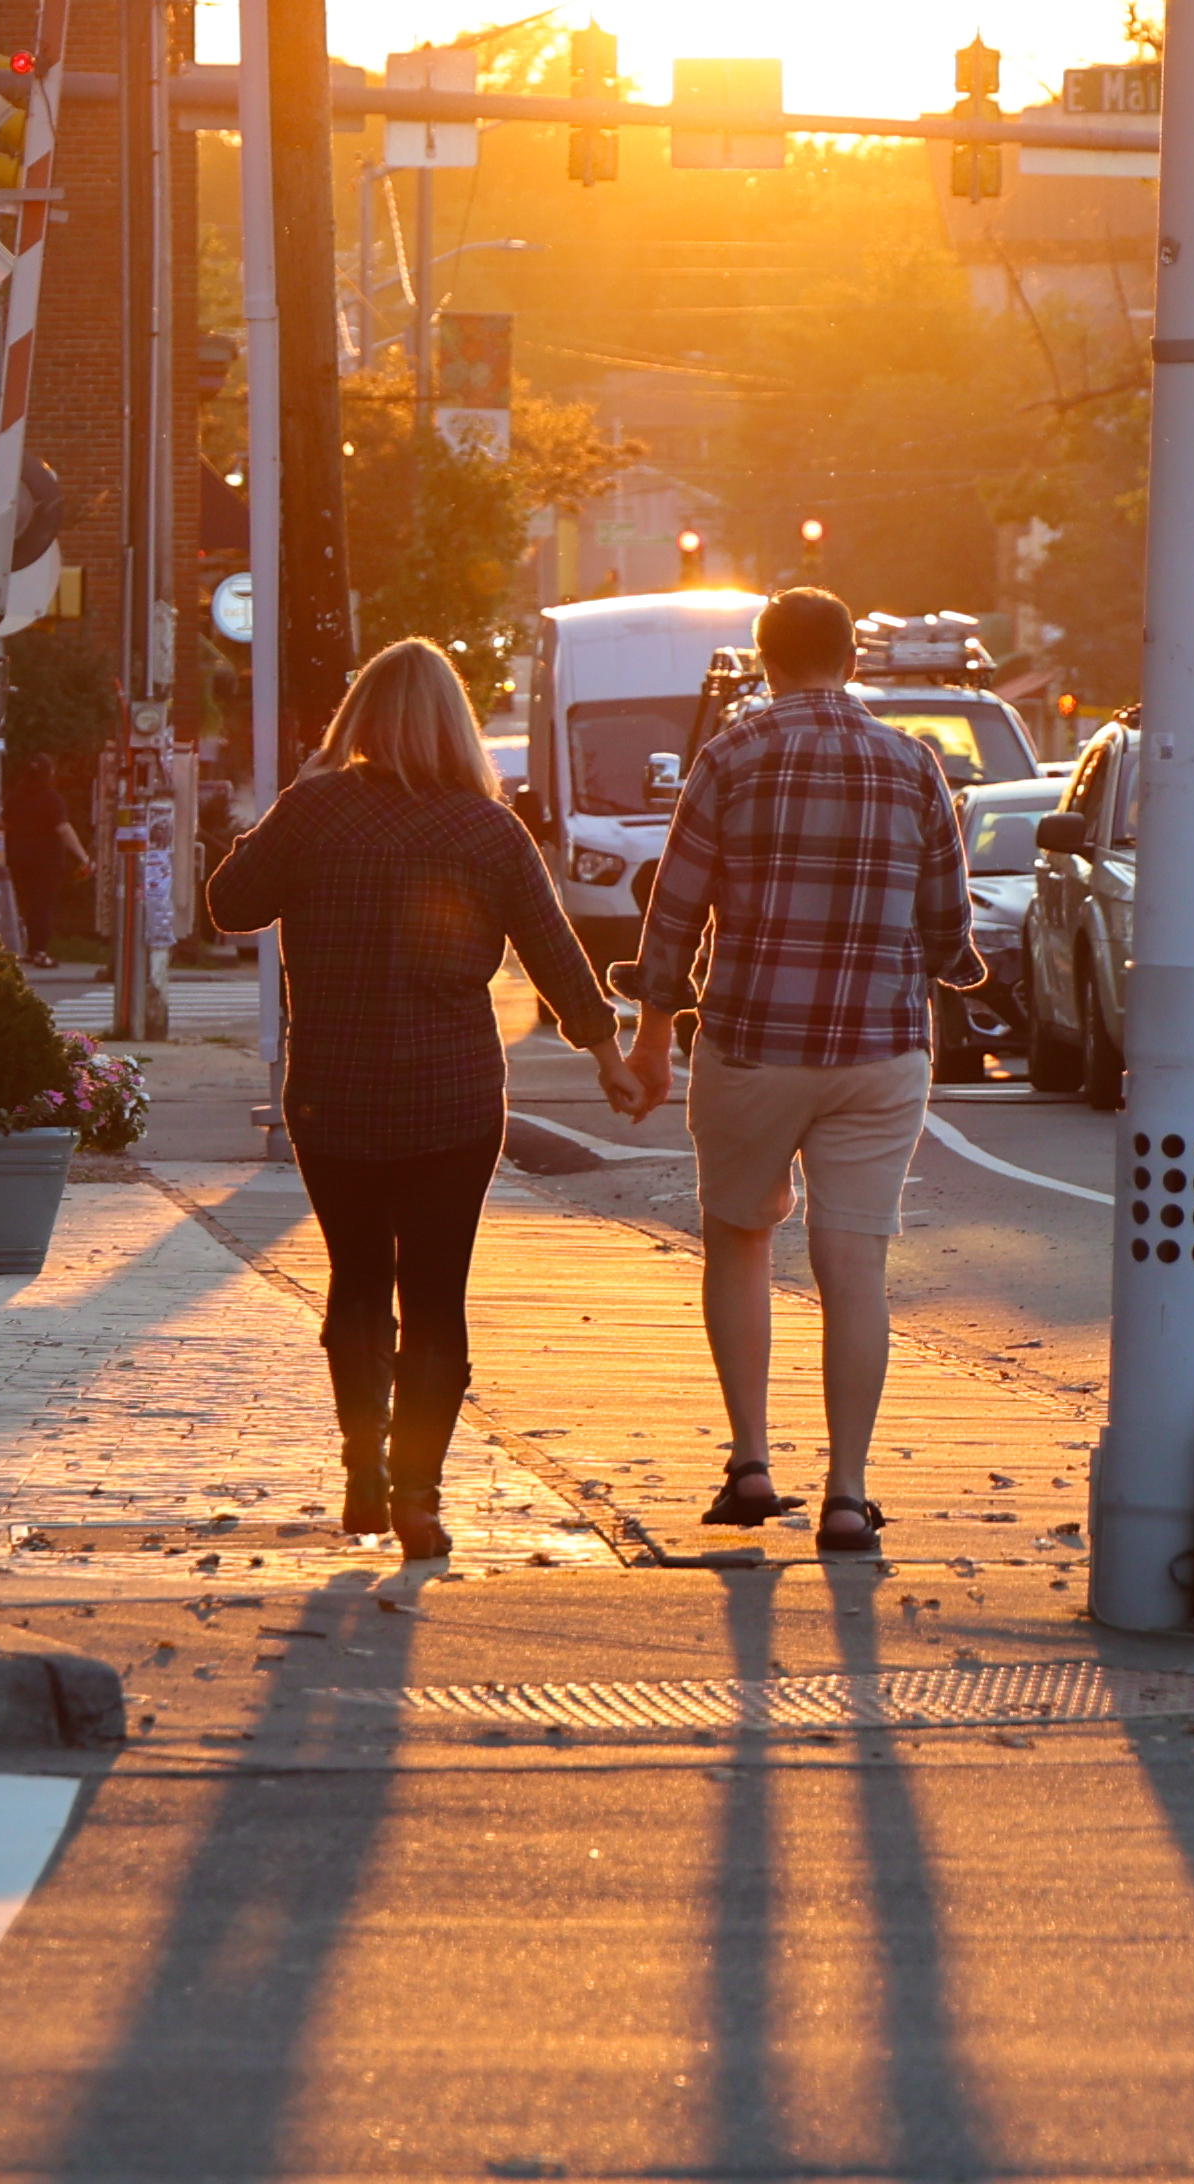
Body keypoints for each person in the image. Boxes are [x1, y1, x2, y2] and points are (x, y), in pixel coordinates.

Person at [201, 636, 641, 1580]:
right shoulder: (489, 830)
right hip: (453, 1099)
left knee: (357, 1280)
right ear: (458, 724)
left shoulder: (315, 809)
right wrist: (610, 1057)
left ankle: (363, 1465)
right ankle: (418, 1495)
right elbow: (556, 955)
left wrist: (293, 799)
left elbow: (230, 903)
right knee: (437, 1296)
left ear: (358, 718)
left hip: (333, 1091)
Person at [622, 588, 980, 1556]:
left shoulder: (729, 756)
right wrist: (951, 963)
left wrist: (654, 1032)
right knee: (854, 1264)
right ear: (854, 655)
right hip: (879, 1050)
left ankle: (750, 1463)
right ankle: (850, 1495)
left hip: (751, 1043)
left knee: (738, 1237)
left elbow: (677, 906)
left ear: (764, 658)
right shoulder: (915, 766)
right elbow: (948, 923)